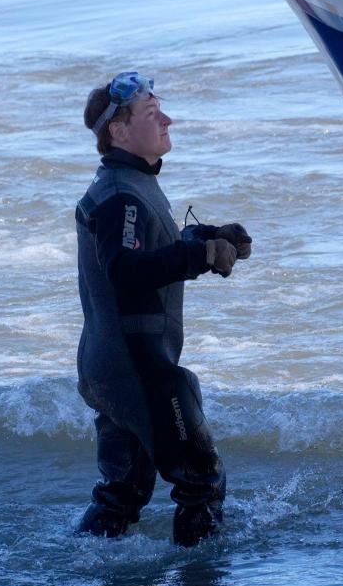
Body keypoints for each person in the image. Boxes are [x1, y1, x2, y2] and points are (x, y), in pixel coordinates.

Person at [74, 71, 251, 546]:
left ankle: (85, 570)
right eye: (152, 114)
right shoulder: (119, 196)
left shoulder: (127, 184)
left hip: (113, 364)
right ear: (119, 130)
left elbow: (148, 249)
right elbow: (125, 270)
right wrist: (200, 257)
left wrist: (206, 238)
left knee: (122, 493)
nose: (167, 120)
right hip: (138, 367)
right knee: (202, 483)